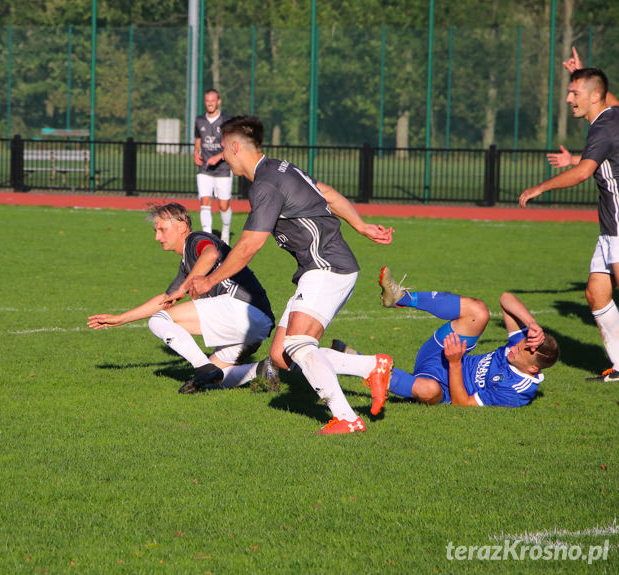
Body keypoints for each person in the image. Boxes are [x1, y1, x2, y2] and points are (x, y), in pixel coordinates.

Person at [177, 116, 396, 435]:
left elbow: (250, 244)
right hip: (318, 268)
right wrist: (361, 226)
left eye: (224, 148)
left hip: (327, 266)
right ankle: (370, 366)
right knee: (280, 355)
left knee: (297, 344)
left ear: (235, 146)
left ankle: (347, 418)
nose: (222, 155)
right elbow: (329, 193)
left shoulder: (265, 185)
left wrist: (209, 280)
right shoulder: (280, 167)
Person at [87, 203, 277, 394]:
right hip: (258, 321)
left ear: (182, 227)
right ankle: (262, 368)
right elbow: (165, 299)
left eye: (162, 229)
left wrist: (184, 287)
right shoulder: (187, 263)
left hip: (244, 308)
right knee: (214, 379)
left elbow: (211, 254)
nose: (157, 237)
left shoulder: (196, 239)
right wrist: (120, 319)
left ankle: (204, 368)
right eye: (156, 231)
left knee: (159, 320)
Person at [325, 267, 559, 407]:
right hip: (441, 351)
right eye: (523, 341)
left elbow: (462, 404)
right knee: (478, 312)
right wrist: (531, 324)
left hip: (443, 384)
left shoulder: (517, 392)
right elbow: (506, 299)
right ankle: (401, 298)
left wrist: (455, 362)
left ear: (532, 369)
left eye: (525, 350)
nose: (517, 346)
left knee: (429, 391)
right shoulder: (520, 347)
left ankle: (355, 361)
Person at [519, 64, 619, 382]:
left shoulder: (604, 127)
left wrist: (540, 187)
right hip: (609, 229)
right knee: (596, 294)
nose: (568, 98)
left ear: (594, 96)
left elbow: (584, 172)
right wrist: (581, 72)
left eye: (574, 92)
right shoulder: (610, 115)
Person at [194, 89, 234, 244]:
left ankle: (225, 231)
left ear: (219, 101)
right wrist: (196, 152)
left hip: (223, 169)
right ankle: (207, 236)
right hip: (204, 169)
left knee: (224, 205)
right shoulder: (199, 120)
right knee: (204, 201)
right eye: (207, 100)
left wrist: (218, 157)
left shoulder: (226, 121)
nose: (210, 103)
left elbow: (231, 145)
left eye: (213, 100)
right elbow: (198, 138)